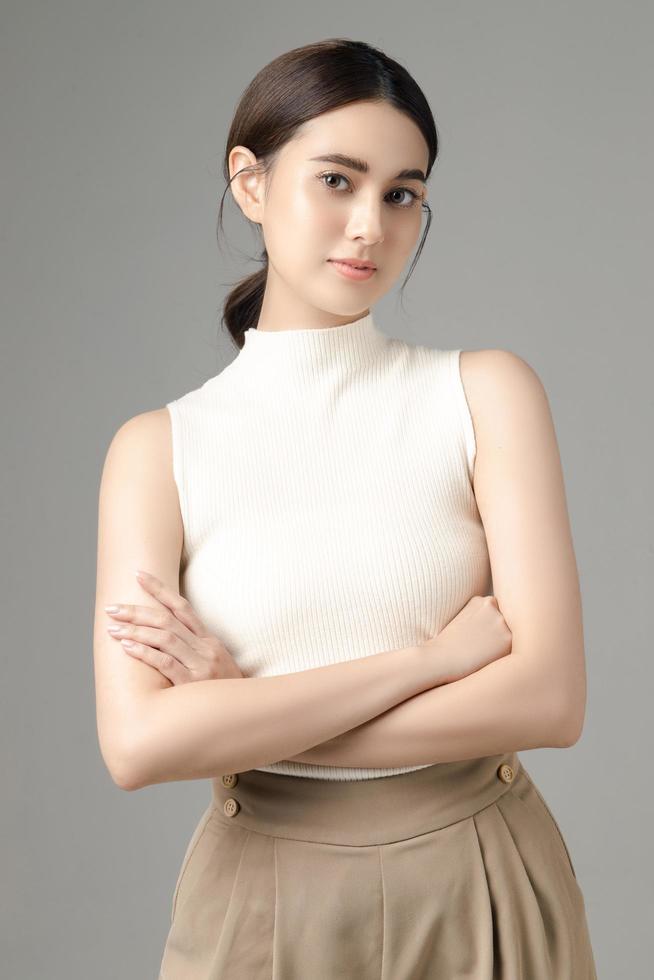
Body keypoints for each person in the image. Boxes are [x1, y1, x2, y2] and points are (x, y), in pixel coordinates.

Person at [93, 38, 598, 979]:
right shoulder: (157, 452)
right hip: (259, 898)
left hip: (478, 873)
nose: (370, 224)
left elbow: (550, 698)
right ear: (250, 183)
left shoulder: (486, 394)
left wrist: (243, 713)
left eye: (402, 193)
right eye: (337, 180)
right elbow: (137, 744)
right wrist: (429, 665)